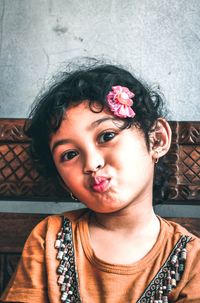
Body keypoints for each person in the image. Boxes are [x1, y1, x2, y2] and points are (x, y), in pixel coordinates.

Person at [1, 62, 200, 303]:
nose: (91, 164)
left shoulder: (191, 260)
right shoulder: (49, 238)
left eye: (107, 136)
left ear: (156, 140)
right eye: (69, 154)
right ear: (64, 183)